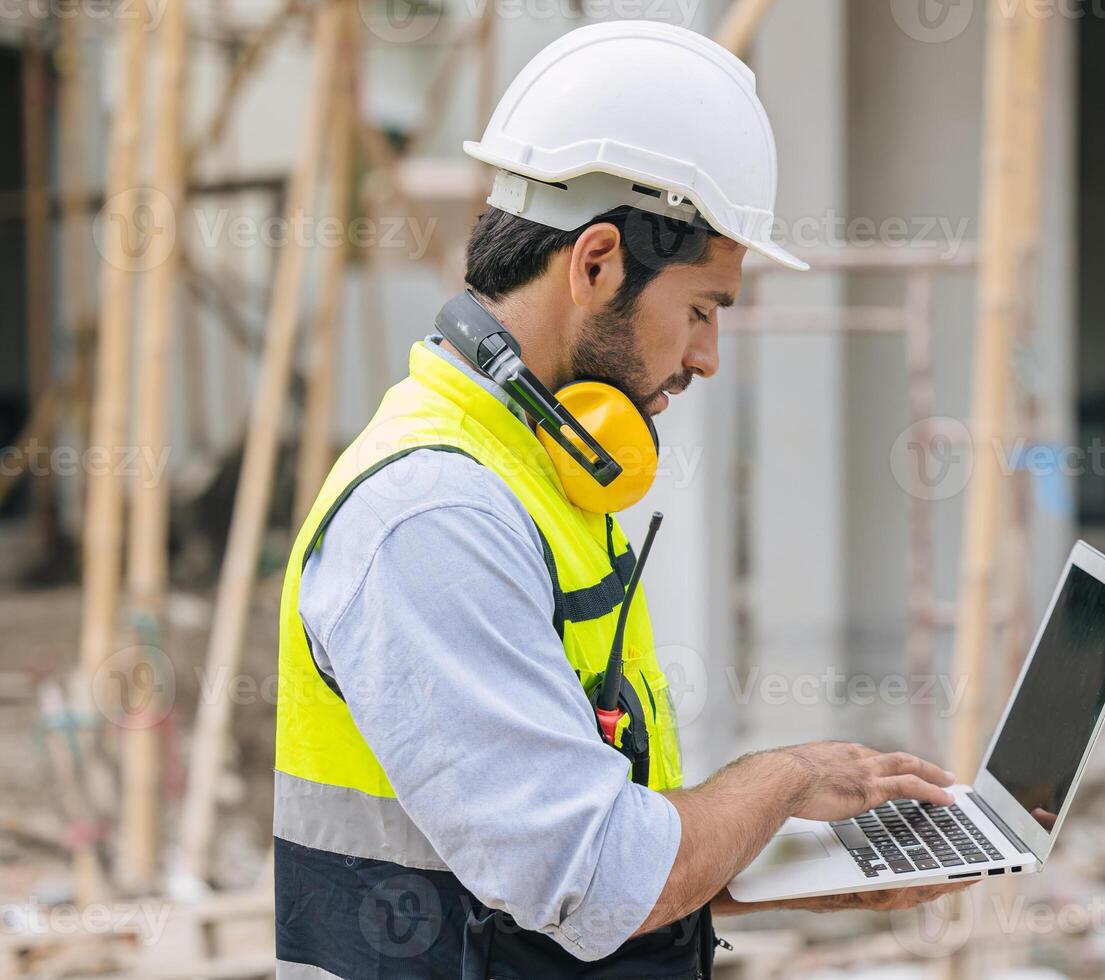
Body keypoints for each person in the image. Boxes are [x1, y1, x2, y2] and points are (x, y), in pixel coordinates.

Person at [273, 21, 967, 978]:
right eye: (702, 309)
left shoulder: (537, 479)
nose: (706, 358)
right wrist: (784, 778)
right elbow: (592, 878)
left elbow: (582, 846)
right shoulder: (435, 517)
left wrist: (805, 869)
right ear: (596, 263)